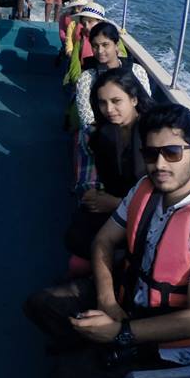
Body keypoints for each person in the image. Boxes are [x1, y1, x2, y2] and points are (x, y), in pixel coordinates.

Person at [24, 104, 190, 378]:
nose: (159, 165)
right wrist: (107, 301)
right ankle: (92, 344)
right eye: (150, 154)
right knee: (40, 305)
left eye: (172, 153)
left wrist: (120, 332)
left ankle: (97, 350)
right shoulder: (146, 188)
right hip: (126, 302)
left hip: (168, 343)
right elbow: (104, 240)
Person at [65, 69, 153, 263]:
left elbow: (162, 193)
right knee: (75, 239)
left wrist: (118, 204)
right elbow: (89, 172)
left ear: (134, 99)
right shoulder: (99, 133)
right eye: (102, 103)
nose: (109, 109)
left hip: (145, 214)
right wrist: (92, 191)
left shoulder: (152, 135)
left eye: (116, 101)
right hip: (112, 202)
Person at [74, 22, 151, 129]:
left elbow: (145, 104)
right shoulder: (87, 78)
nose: (100, 51)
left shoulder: (136, 71)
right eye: (95, 46)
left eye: (105, 45)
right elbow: (87, 120)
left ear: (116, 45)